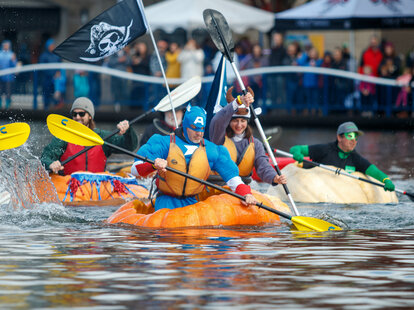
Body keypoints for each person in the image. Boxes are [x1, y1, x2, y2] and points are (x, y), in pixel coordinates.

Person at [131, 105, 258, 211]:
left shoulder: (212, 150)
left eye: (202, 129)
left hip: (193, 203)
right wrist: (153, 165)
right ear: (185, 126)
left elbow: (232, 178)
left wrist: (246, 194)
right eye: (194, 129)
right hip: (166, 202)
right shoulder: (163, 143)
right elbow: (134, 170)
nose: (199, 133)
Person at [209, 87, 287, 186]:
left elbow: (263, 166)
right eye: (235, 121)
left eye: (243, 121)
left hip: (242, 190)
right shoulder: (218, 137)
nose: (239, 125)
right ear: (229, 121)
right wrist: (237, 101)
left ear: (247, 122)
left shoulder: (256, 144)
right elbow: (218, 121)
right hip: (218, 188)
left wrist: (274, 177)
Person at [41, 97, 138, 175]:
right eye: (74, 114)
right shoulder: (63, 138)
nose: (77, 117)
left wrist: (128, 130)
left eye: (81, 114)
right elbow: (45, 157)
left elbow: (130, 146)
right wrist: (51, 164)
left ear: (90, 116)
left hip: (97, 186)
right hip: (70, 185)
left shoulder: (102, 136)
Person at [289, 121, 395, 192]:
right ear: (339, 137)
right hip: (314, 189)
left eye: (356, 137)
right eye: (350, 136)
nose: (354, 140)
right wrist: (297, 154)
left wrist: (386, 180)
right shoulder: (324, 149)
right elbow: (295, 148)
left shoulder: (356, 159)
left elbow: (374, 171)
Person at [0, 40, 17, 109]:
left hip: (9, 77)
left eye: (7, 45)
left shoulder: (11, 54)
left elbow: (14, 65)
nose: (6, 46)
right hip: (1, 76)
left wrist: (13, 60)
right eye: (5, 45)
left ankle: (7, 104)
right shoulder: (0, 54)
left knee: (8, 91)